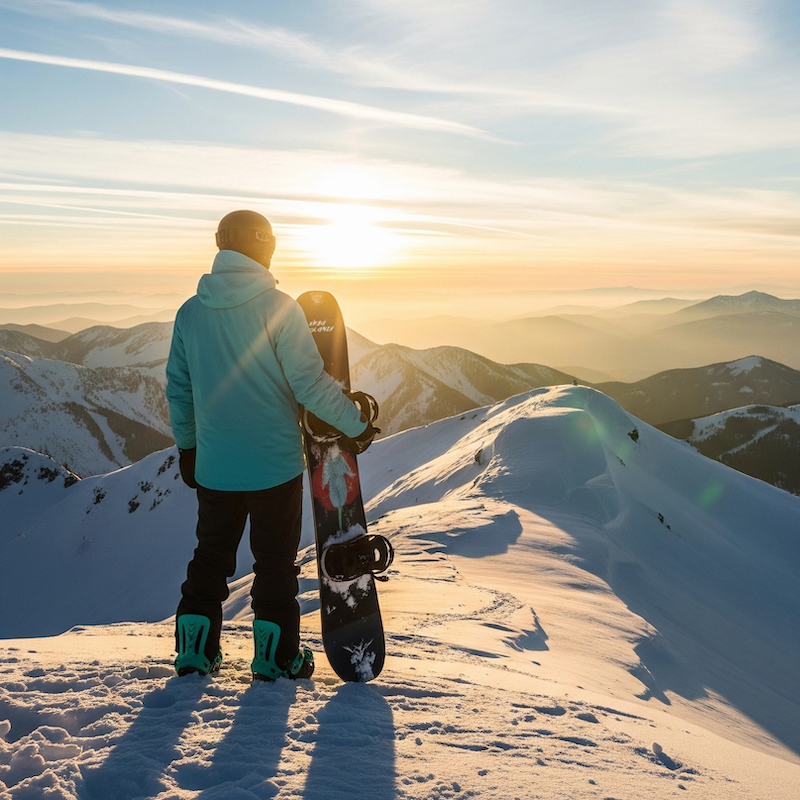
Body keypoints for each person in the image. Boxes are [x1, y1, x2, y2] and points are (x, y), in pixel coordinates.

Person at [166, 209, 377, 680]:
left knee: (210, 559)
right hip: (273, 467)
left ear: (222, 246)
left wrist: (189, 448)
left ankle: (195, 653)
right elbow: (311, 387)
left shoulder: (190, 312)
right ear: (266, 248)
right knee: (275, 564)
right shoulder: (279, 308)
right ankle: (276, 658)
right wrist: (356, 424)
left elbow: (179, 391)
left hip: (216, 468)